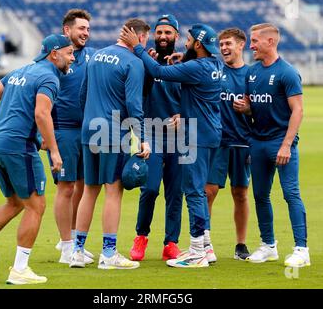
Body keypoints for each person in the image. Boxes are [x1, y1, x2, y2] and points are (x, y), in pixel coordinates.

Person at [0, 34, 74, 284]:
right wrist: (54, 150)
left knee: (15, 202)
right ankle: (20, 269)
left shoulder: (21, 71)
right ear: (54, 53)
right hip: (18, 148)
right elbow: (42, 114)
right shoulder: (49, 77)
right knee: (36, 205)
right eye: (69, 52)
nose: (72, 57)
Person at [120, 23, 224, 268]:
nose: (165, 37)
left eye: (187, 39)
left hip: (191, 136)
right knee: (154, 189)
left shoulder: (190, 67)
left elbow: (159, 70)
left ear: (194, 43)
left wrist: (137, 47)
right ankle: (205, 247)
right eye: (159, 32)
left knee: (192, 192)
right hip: (204, 133)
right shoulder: (214, 63)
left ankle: (195, 250)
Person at [69, 18, 151, 270]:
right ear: (139, 37)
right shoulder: (134, 62)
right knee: (113, 191)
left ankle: (77, 251)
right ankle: (108, 253)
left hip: (89, 129)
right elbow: (135, 106)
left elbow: (82, 93)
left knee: (89, 190)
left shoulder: (96, 56)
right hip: (114, 133)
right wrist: (142, 139)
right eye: (145, 39)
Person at [233, 23, 310, 267]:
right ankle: (269, 246)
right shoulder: (252, 73)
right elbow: (253, 106)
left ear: (270, 42)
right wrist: (245, 109)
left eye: (255, 41)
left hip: (280, 142)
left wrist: (287, 145)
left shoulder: (287, 72)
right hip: (258, 142)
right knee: (259, 196)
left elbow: (297, 111)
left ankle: (301, 250)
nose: (251, 45)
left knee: (291, 194)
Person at [129, 14, 183, 262]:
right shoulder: (143, 62)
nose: (163, 37)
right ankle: (141, 236)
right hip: (151, 130)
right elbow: (135, 96)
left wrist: (183, 114)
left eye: (168, 32)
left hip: (180, 134)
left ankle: (171, 242)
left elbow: (196, 98)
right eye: (159, 32)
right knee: (149, 189)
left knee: (175, 191)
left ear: (176, 36)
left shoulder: (184, 64)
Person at [49, 9, 95, 265]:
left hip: (86, 131)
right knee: (65, 188)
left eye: (88, 29)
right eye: (81, 29)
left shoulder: (91, 56)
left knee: (82, 187)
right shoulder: (56, 58)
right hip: (63, 130)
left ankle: (75, 241)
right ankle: (66, 246)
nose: (86, 33)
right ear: (67, 30)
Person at [204, 28, 252, 262]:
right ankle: (205, 242)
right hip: (218, 142)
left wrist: (249, 109)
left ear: (241, 45)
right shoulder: (216, 71)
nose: (223, 48)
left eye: (228, 44)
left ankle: (241, 244)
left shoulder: (252, 76)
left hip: (243, 143)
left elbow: (263, 110)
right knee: (208, 192)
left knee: (240, 193)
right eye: (221, 44)